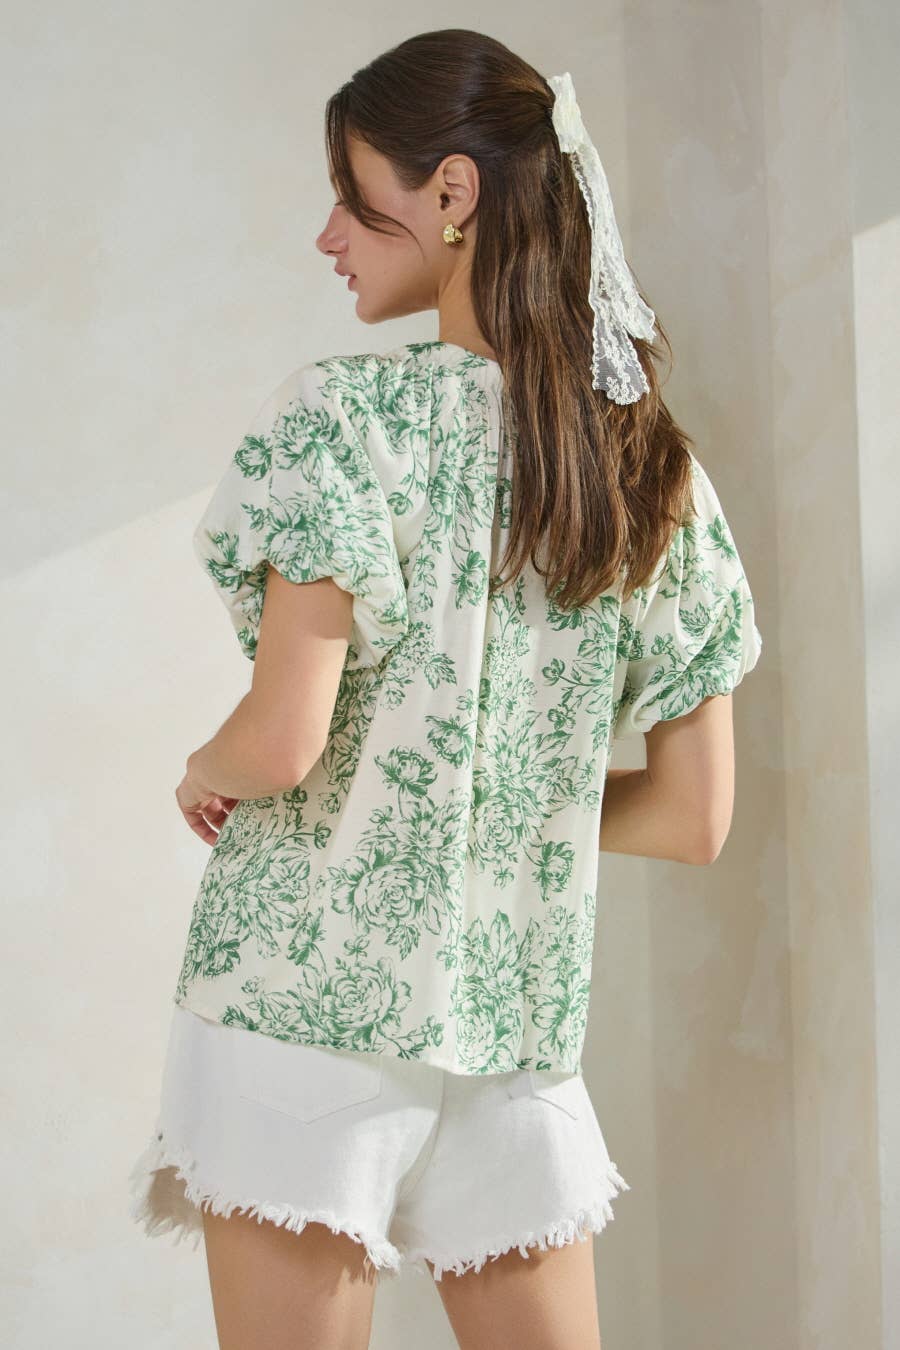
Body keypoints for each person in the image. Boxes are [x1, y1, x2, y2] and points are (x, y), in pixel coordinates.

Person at [129, 28, 763, 1350]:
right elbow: (695, 817)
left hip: (299, 1015)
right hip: (513, 1030)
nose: (328, 235)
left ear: (453, 193)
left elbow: (282, 742)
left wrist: (201, 767)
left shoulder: (342, 419)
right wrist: (502, 800)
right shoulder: (654, 473)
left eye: (352, 193)